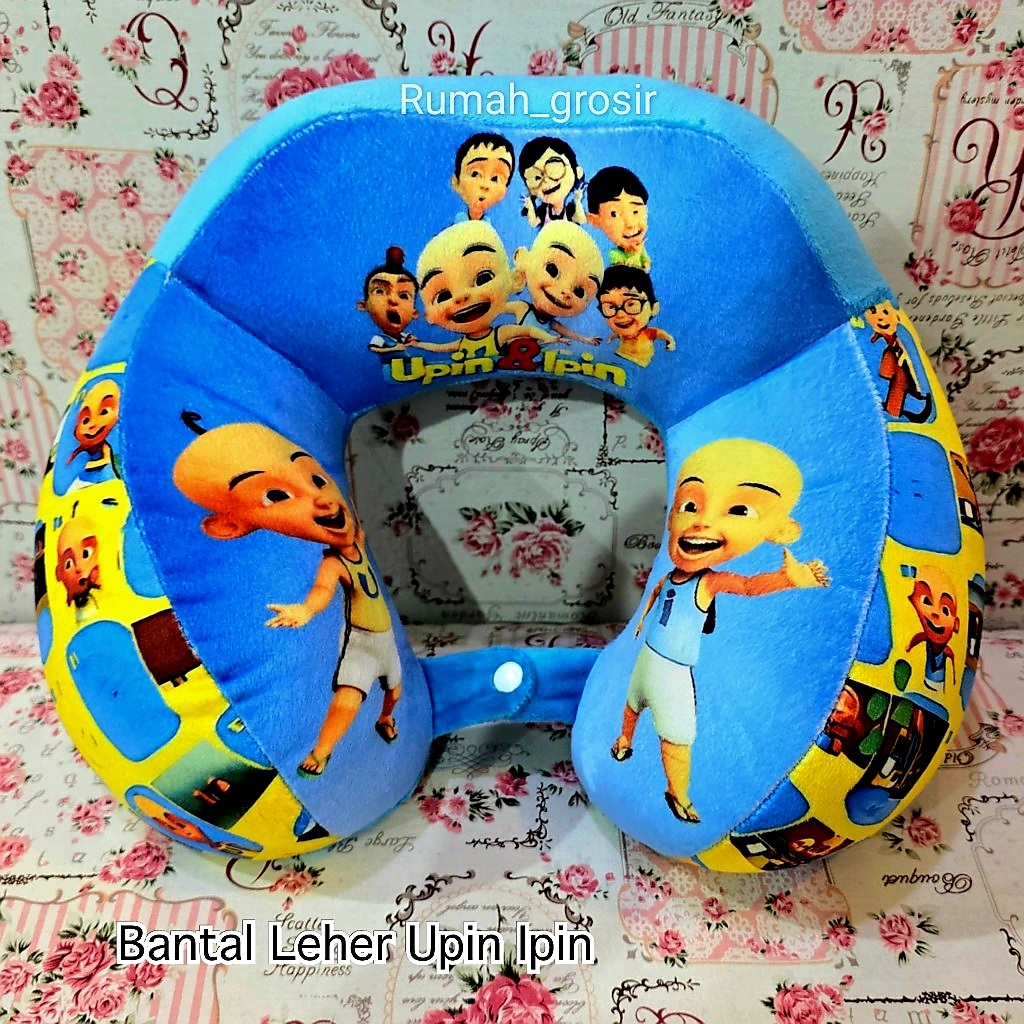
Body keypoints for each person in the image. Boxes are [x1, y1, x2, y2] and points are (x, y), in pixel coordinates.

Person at [611, 439, 830, 824]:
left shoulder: (708, 582)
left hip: (674, 669)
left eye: (739, 509)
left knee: (676, 735)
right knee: (632, 702)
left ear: (780, 530)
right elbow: (658, 594)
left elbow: (746, 586)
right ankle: (625, 740)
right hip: (647, 657)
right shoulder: (670, 576)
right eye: (689, 506)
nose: (701, 521)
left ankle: (677, 794)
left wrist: (786, 579)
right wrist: (640, 623)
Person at [173, 419, 401, 779]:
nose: (322, 499)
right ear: (231, 526)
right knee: (348, 697)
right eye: (276, 496)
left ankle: (386, 718)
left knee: (394, 690)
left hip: (386, 639)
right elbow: (322, 591)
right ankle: (321, 753)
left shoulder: (356, 540)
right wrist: (305, 610)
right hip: (362, 642)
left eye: (317, 480)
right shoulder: (334, 564)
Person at [413, 220, 556, 356]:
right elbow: (439, 348)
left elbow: (528, 331)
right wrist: (418, 344)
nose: (461, 296)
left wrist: (550, 338)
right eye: (443, 296)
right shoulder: (463, 343)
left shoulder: (500, 334)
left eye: (483, 278)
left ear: (516, 279)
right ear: (428, 315)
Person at [507, 222, 604, 345]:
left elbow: (567, 332)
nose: (566, 291)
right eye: (552, 270)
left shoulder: (551, 323)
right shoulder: (522, 308)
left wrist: (586, 340)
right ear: (525, 259)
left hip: (536, 356)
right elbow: (496, 308)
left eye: (579, 292)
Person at [597, 265, 674, 367]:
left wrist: (670, 342)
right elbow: (617, 335)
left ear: (653, 308)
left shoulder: (649, 333)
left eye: (631, 304)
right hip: (621, 357)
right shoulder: (622, 334)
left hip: (642, 362)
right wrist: (611, 338)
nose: (620, 314)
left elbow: (663, 335)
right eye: (610, 307)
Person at [357, 246, 420, 355]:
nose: (393, 299)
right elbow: (375, 349)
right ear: (363, 305)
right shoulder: (380, 339)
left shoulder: (403, 337)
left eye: (404, 295)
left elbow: (413, 341)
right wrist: (394, 349)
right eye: (380, 291)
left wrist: (413, 340)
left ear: (414, 313)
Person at [586, 166, 651, 271]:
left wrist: (645, 264)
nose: (630, 223)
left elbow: (646, 262)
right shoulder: (614, 254)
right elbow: (623, 268)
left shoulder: (641, 248)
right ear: (594, 220)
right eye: (614, 214)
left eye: (635, 211)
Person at [518, 136, 586, 227]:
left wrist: (577, 201)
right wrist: (530, 207)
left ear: (577, 172)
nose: (546, 180)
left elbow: (581, 220)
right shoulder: (544, 211)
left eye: (554, 170)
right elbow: (534, 223)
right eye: (537, 178)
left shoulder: (569, 211)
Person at [451, 132, 515, 221]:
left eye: (495, 179)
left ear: (504, 191)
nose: (485, 185)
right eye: (475, 174)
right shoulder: (455, 227)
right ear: (456, 182)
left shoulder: (488, 228)